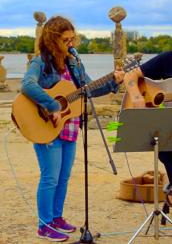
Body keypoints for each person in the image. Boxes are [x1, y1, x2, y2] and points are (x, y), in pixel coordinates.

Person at [21, 16, 124, 242]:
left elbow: (89, 89)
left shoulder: (74, 62)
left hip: (70, 127)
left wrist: (114, 81)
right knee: (50, 177)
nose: (71, 43)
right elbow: (27, 85)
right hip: (46, 126)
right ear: (52, 40)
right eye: (66, 40)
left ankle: (56, 218)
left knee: (63, 177)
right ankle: (44, 225)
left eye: (72, 38)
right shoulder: (40, 62)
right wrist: (52, 105)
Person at [123, 51, 172, 193]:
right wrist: (137, 97)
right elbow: (130, 75)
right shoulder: (168, 58)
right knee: (166, 153)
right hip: (167, 129)